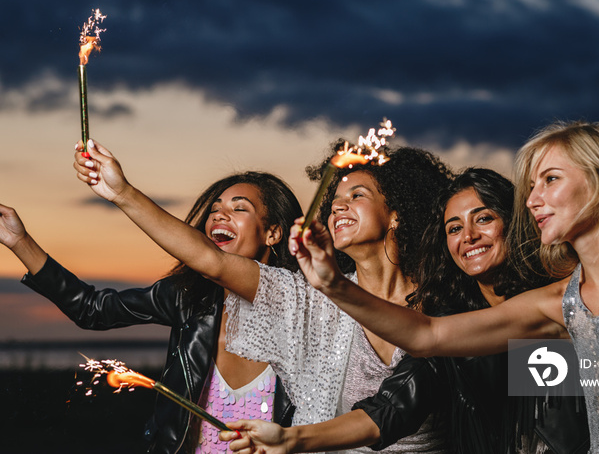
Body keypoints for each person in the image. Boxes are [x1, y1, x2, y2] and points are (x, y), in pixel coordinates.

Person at [289, 121, 599, 453]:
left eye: (550, 180)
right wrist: (332, 284)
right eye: (453, 228)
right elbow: (424, 338)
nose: (533, 199)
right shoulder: (553, 303)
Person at [72, 138, 453, 453]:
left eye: (357, 195)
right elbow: (212, 260)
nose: (338, 204)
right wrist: (122, 193)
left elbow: (386, 415)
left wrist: (291, 438)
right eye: (335, 197)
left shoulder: (442, 310)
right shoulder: (310, 298)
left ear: (397, 214)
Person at [0, 163, 303, 453]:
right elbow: (92, 309)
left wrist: (122, 192)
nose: (219, 216)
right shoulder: (187, 297)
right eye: (214, 210)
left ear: (273, 233)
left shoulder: (303, 307)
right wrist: (19, 241)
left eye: (239, 208)